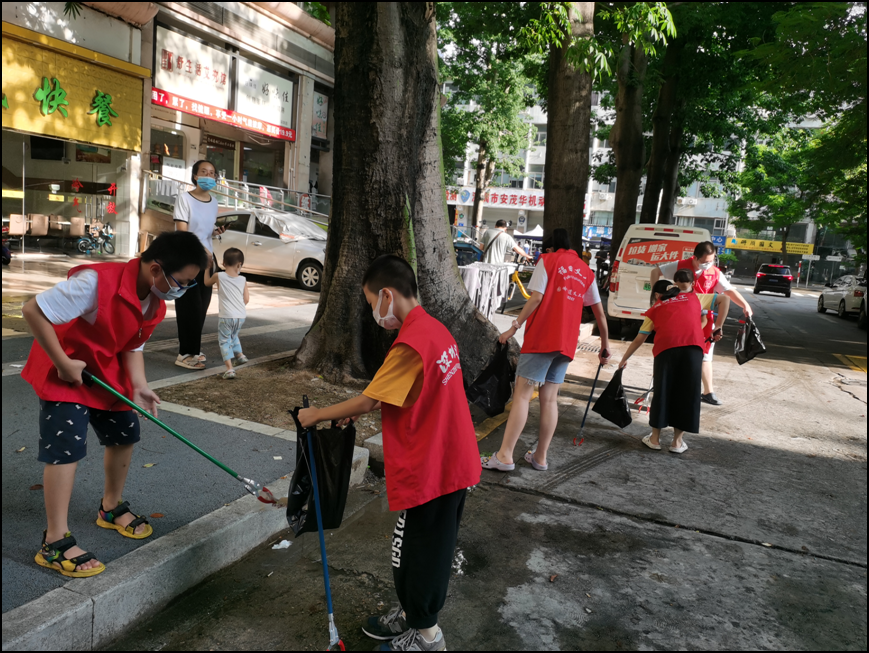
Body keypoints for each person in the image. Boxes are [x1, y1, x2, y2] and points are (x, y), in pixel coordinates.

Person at [298, 255, 480, 652]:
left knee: (419, 553)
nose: (373, 312)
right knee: (419, 547)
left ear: (386, 295)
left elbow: (365, 402)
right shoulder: (433, 330)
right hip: (453, 459)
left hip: (434, 470)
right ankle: (413, 613)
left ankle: (428, 636)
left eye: (370, 304)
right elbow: (409, 392)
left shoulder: (411, 344)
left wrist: (317, 415)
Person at [21, 232, 207, 578]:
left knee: (124, 433)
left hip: (103, 371)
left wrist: (139, 385)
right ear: (156, 270)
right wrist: (62, 362)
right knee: (66, 447)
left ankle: (109, 507)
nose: (183, 289)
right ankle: (54, 541)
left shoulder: (154, 300)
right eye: (182, 282)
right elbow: (32, 309)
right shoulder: (94, 283)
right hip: (66, 370)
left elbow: (132, 345)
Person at [482, 228, 611, 472]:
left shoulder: (547, 261)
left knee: (521, 396)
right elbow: (599, 313)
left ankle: (505, 456)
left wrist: (513, 327)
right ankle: (540, 457)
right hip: (566, 344)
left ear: (550, 248)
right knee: (550, 399)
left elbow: (536, 298)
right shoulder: (586, 272)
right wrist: (605, 346)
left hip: (542, 338)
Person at [618, 269, 725, 453]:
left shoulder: (657, 307)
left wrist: (624, 359)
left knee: (663, 391)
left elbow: (639, 339)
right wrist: (719, 327)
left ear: (659, 294)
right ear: (691, 284)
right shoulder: (695, 297)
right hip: (692, 350)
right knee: (687, 393)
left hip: (666, 350)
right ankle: (677, 442)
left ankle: (655, 439)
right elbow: (725, 300)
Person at [651, 241, 753, 406]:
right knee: (672, 352)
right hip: (680, 318)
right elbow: (656, 271)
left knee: (705, 355)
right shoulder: (680, 267)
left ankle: (708, 392)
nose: (708, 264)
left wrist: (745, 305)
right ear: (695, 258)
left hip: (704, 320)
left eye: (711, 260)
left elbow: (728, 293)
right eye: (705, 261)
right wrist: (657, 295)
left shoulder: (714, 273)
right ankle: (665, 386)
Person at [173, 159, 226, 370]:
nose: (208, 175)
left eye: (212, 172)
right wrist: (200, 248)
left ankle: (193, 349)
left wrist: (215, 233)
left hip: (207, 260)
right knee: (189, 307)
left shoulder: (213, 202)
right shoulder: (184, 198)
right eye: (203, 171)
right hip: (188, 259)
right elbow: (182, 232)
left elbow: (203, 230)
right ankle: (185, 353)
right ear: (195, 176)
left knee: (202, 307)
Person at [204, 247, 250, 380]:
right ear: (239, 265)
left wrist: (207, 268)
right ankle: (240, 355)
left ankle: (229, 369)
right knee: (234, 336)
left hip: (226, 316)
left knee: (224, 341)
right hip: (240, 315)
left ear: (223, 263)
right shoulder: (243, 279)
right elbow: (246, 299)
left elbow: (206, 283)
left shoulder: (219, 276)